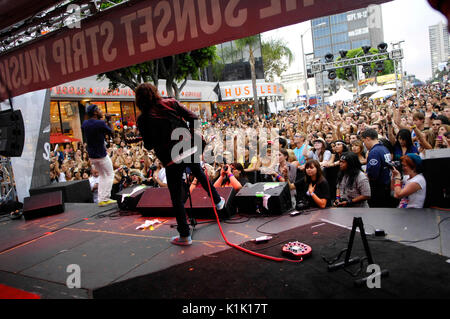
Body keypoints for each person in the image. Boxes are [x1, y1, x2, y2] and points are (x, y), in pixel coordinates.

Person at [135, 83, 225, 246]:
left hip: (171, 159)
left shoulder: (143, 119)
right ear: (155, 92)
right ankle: (218, 201)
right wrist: (193, 135)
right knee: (198, 172)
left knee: (176, 197)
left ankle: (185, 235)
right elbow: (194, 118)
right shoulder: (170, 102)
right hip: (188, 147)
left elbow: (148, 145)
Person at [81, 104, 116, 206]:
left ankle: (101, 199)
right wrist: (109, 120)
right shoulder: (100, 123)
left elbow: (92, 127)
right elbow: (112, 132)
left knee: (102, 175)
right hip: (101, 154)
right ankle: (105, 198)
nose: (101, 111)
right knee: (109, 174)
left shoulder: (85, 123)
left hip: (92, 156)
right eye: (99, 110)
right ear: (95, 112)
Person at [361, 128, 392, 208]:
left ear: (367, 139)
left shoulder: (374, 152)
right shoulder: (384, 148)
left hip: (378, 188)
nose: (364, 144)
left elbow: (373, 174)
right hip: (386, 185)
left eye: (363, 141)